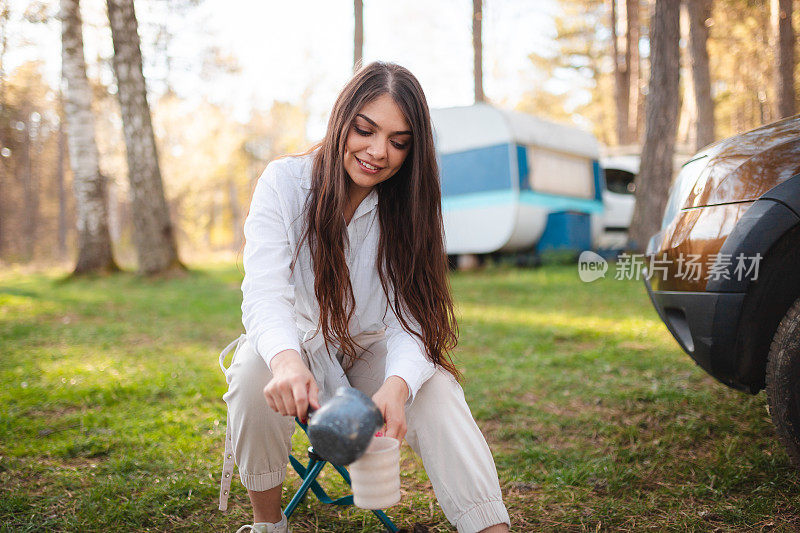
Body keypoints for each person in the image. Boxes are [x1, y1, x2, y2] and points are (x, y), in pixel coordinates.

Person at [218, 61, 511, 533]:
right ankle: (267, 523)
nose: (379, 153)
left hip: (372, 344)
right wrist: (287, 362)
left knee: (436, 389)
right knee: (255, 368)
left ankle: (488, 527)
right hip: (299, 343)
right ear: (342, 120)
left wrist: (397, 387)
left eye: (399, 142)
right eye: (365, 130)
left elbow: (411, 320)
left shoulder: (412, 206)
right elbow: (265, 293)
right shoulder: (286, 184)